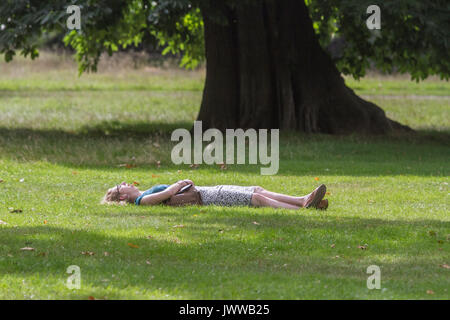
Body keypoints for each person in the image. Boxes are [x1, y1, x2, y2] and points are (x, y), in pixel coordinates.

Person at [102, 180, 328, 210]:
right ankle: (301, 209)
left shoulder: (142, 193)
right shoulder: (142, 200)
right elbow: (168, 194)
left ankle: (303, 199)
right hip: (205, 197)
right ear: (122, 198)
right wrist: (179, 182)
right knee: (256, 200)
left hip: (204, 191)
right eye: (121, 186)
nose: (126, 183)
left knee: (256, 190)